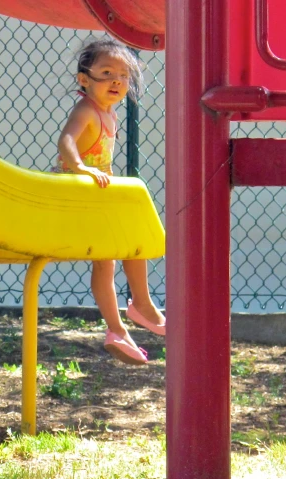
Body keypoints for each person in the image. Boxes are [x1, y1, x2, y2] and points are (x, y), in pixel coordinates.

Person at [53, 38, 166, 365]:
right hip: (77, 193)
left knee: (114, 255)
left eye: (123, 75)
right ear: (84, 80)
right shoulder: (87, 110)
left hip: (94, 195)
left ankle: (120, 326)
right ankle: (135, 309)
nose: (116, 81)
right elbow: (66, 140)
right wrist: (81, 167)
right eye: (106, 72)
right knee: (121, 245)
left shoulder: (109, 115)